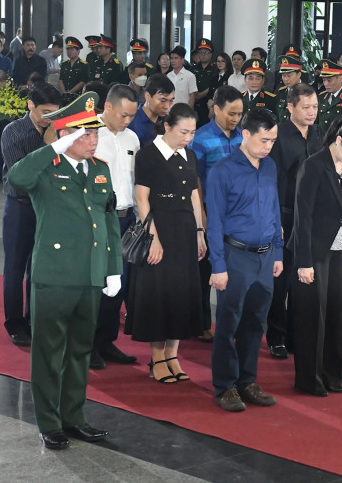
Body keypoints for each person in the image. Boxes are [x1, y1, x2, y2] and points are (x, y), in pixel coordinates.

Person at [6, 91, 120, 450]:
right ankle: (49, 422)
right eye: (85, 134)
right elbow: (16, 178)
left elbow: (109, 221)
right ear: (65, 134)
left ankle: (74, 416)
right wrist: (53, 147)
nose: (93, 140)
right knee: (48, 352)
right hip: (54, 276)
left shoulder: (99, 169)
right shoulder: (45, 168)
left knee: (80, 350)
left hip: (90, 275)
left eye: (95, 133)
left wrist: (113, 269)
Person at [206, 108, 283, 412]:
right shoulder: (222, 171)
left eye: (273, 141)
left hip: (265, 256)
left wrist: (278, 251)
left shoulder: (270, 167)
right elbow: (214, 222)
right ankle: (225, 386)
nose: (268, 147)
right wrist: (218, 266)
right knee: (228, 323)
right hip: (235, 255)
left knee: (255, 323)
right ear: (246, 134)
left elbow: (274, 209)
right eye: (264, 140)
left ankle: (247, 381)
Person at [125, 103, 206, 382]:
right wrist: (153, 238)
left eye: (192, 133)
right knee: (158, 293)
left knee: (181, 293)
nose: (188, 138)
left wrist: (199, 231)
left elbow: (194, 195)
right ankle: (157, 357)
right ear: (168, 126)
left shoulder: (190, 155)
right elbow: (142, 199)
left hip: (185, 230)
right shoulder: (148, 154)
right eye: (183, 132)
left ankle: (173, 354)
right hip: (159, 228)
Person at [289, 119, 342, 396]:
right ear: (338, 141)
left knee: (337, 313)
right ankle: (309, 379)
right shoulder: (313, 166)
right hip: (314, 251)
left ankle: (332, 375)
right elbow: (303, 217)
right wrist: (304, 261)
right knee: (313, 315)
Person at [0, 82, 62, 346]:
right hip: (21, 207)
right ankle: (15, 324)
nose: (50, 117)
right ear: (30, 105)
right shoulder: (13, 132)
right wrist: (48, 148)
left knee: (40, 269)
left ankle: (35, 319)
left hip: (48, 208)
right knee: (15, 267)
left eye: (55, 112)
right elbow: (21, 177)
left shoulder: (58, 130)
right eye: (45, 112)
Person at [267, 83, 323, 359]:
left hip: (311, 217)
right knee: (281, 279)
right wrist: (274, 219)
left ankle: (295, 334)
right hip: (286, 214)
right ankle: (276, 336)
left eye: (315, 107)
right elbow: (272, 181)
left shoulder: (318, 134)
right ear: (290, 107)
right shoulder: (278, 136)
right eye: (306, 107)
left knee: (305, 279)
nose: (312, 112)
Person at [189, 85, 245, 343]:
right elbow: (195, 180)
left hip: (238, 217)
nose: (236, 119)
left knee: (235, 272)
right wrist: (202, 216)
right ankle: (200, 323)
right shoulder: (200, 138)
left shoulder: (243, 137)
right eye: (231, 113)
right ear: (216, 109)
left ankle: (231, 324)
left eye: (239, 114)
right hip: (211, 214)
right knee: (204, 272)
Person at [91, 84, 141, 369]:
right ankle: (88, 344)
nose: (128, 121)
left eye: (132, 116)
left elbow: (136, 181)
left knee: (119, 283)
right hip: (99, 218)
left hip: (126, 218)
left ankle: (106, 341)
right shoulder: (90, 134)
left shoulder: (132, 138)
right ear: (107, 107)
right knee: (97, 282)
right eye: (124, 115)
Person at [129, 73, 176, 147]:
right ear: (147, 96)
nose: (167, 106)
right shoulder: (131, 122)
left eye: (171, 100)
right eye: (163, 100)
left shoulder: (168, 122)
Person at [192, 38, 217, 127]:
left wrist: (202, 94)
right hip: (193, 104)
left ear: (211, 54)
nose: (203, 55)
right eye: (201, 52)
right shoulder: (192, 69)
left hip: (208, 105)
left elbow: (215, 86)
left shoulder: (215, 69)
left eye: (206, 52)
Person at [275, 54, 303, 121]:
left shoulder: (308, 92)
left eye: (289, 75)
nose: (286, 79)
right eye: (283, 75)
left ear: (299, 74)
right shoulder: (281, 92)